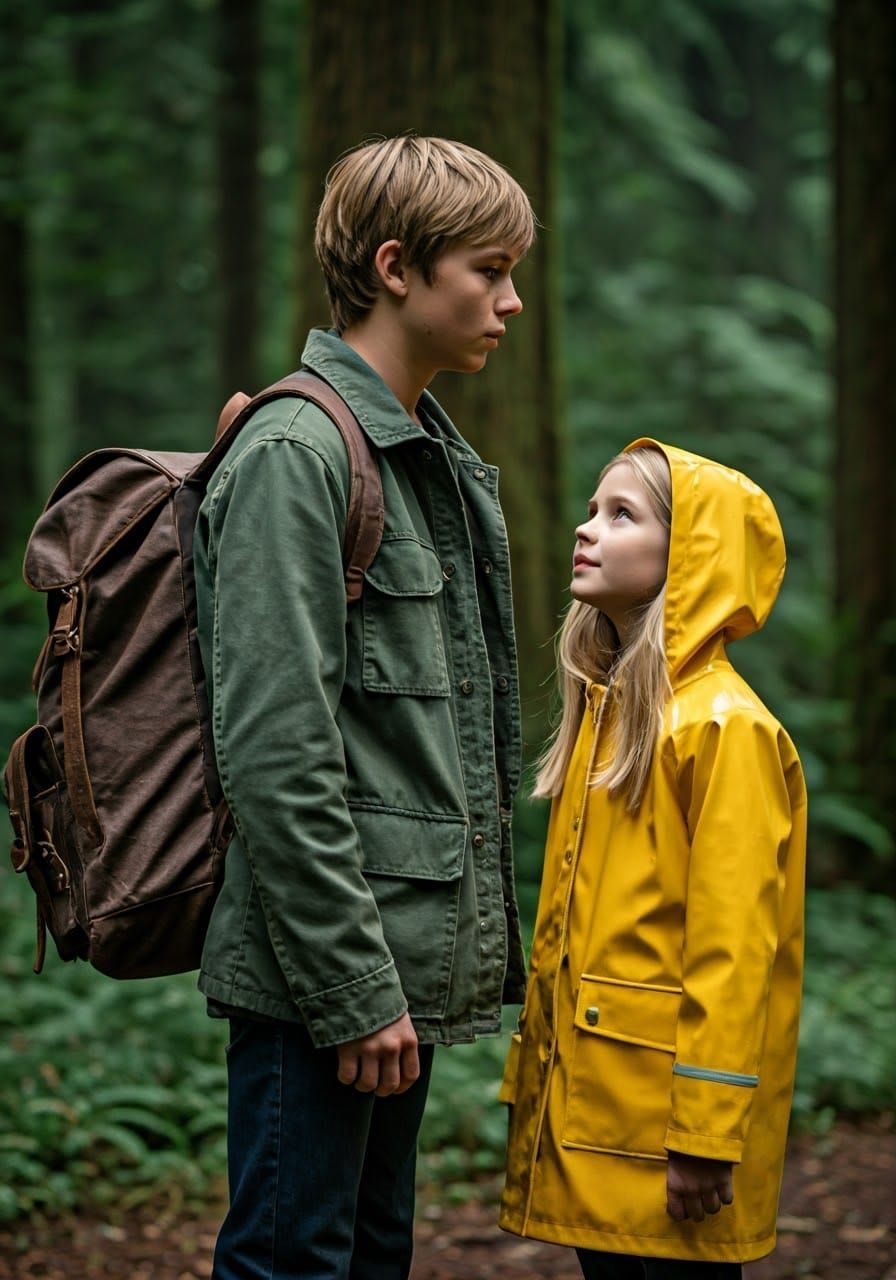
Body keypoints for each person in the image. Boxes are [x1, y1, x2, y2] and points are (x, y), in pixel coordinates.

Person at [194, 136, 535, 1279]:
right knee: (292, 1262)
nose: (510, 298)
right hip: (323, 976)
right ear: (396, 266)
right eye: (486, 269)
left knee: (366, 1257)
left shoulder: (423, 454)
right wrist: (349, 989)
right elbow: (277, 754)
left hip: (395, 967)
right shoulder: (299, 451)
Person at [499, 440, 807, 1278]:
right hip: (603, 1109)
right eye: (593, 508)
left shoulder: (724, 728)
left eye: (621, 515)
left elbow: (736, 947)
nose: (584, 529)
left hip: (665, 1131)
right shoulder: (613, 712)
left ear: (691, 556)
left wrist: (708, 1128)